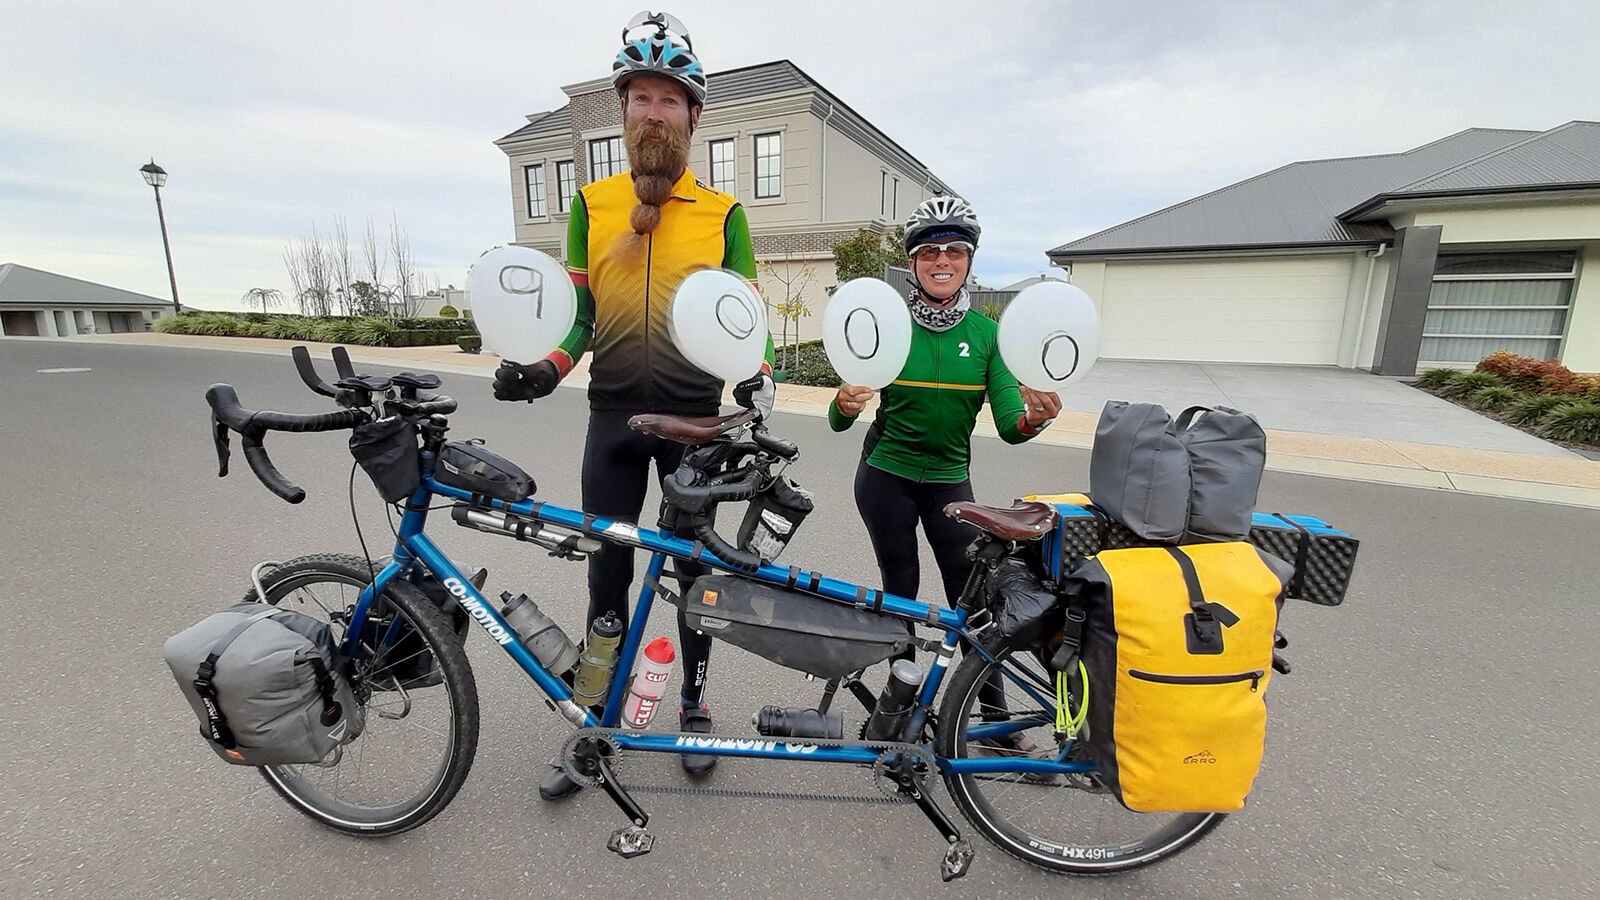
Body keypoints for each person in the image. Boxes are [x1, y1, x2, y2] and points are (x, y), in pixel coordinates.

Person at [493, 11, 775, 801]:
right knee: (606, 581)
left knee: (693, 580)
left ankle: (690, 705)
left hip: (697, 426)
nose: (653, 112)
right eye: (639, 98)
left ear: (694, 113)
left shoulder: (724, 215)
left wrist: (757, 378)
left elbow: (747, 324)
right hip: (611, 420)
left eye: (668, 99)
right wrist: (545, 369)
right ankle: (595, 720)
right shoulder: (591, 202)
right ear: (623, 112)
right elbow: (579, 321)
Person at [830, 197, 1061, 755]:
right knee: (901, 594)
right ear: (912, 262)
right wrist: (843, 403)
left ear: (969, 261)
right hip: (885, 477)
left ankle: (993, 723)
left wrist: (1035, 417)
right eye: (929, 250)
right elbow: (840, 421)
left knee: (976, 605)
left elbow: (1010, 424)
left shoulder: (987, 337)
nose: (941, 259)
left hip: (950, 483)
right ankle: (896, 717)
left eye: (954, 250)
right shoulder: (887, 327)